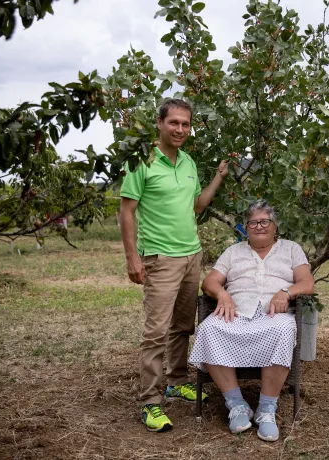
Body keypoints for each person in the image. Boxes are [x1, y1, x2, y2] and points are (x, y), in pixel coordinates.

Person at [120, 99, 229, 432]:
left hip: (191, 256)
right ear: (160, 123)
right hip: (160, 259)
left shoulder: (188, 161)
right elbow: (126, 212)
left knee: (183, 326)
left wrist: (218, 178)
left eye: (185, 124)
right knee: (155, 334)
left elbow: (196, 206)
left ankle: (176, 380)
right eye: (174, 123)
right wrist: (132, 258)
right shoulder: (141, 162)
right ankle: (150, 403)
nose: (180, 129)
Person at [189, 200, 315, 442]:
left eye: (265, 221)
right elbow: (210, 282)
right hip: (236, 313)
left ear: (275, 225)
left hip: (273, 315)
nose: (259, 226)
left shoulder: (291, 249)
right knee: (209, 329)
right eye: (253, 222)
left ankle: (266, 410)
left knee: (284, 329)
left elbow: (307, 283)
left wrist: (286, 293)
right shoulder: (233, 252)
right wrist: (223, 294)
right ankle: (236, 404)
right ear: (246, 228)